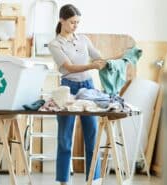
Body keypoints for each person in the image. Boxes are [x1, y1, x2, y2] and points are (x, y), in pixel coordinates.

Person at [48, 4, 106, 185]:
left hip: (88, 87)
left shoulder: (83, 39)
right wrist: (91, 65)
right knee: (65, 137)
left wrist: (107, 61)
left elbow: (98, 57)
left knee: (91, 134)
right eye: (72, 22)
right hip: (67, 88)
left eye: (78, 22)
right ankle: (63, 181)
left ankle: (94, 179)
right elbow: (69, 67)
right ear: (62, 20)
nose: (75, 26)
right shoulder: (54, 44)